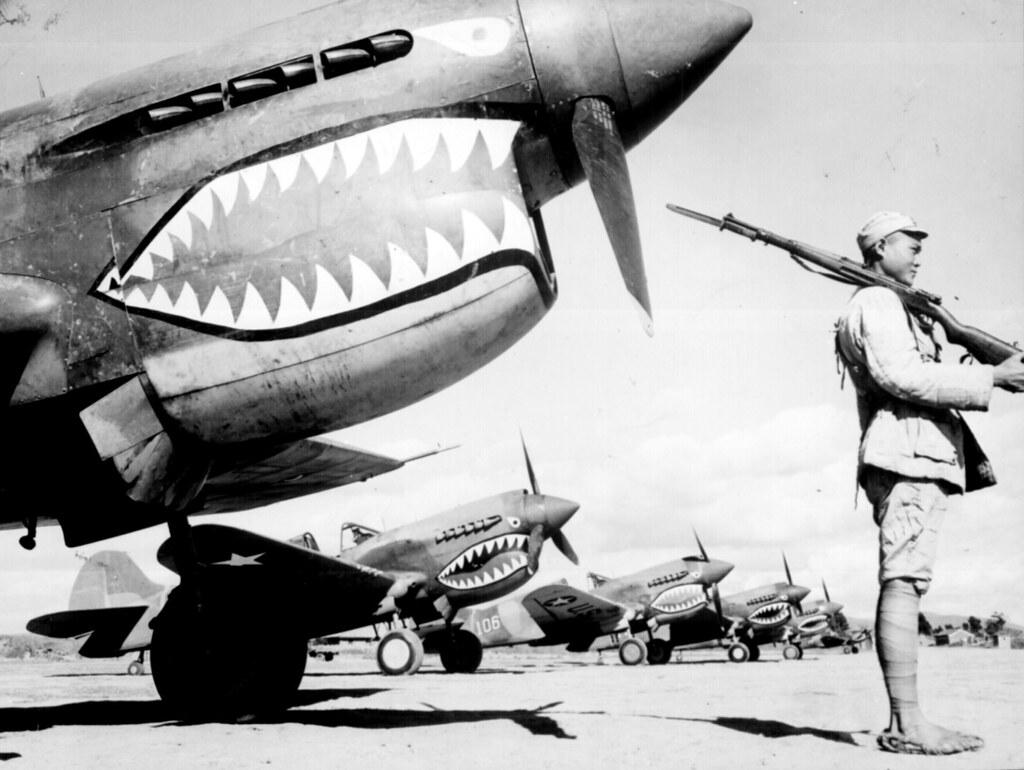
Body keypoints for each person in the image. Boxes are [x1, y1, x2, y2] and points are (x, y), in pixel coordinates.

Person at [834, 211, 1024, 756]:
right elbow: (904, 377)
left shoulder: (897, 304)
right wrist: (991, 376)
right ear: (878, 249)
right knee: (903, 579)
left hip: (917, 454)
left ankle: (908, 720)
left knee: (908, 579)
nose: (919, 253)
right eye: (908, 244)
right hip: (908, 456)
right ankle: (906, 725)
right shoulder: (877, 302)